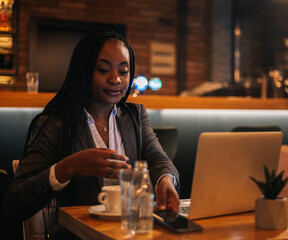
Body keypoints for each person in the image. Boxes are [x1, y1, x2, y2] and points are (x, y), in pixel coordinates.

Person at [4, 29, 180, 239]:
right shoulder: (55, 124)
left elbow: (159, 158)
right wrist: (68, 167)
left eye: (123, 72)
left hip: (132, 234)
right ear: (84, 71)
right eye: (104, 70)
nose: (115, 79)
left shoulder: (136, 116)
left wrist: (165, 181)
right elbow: (13, 205)